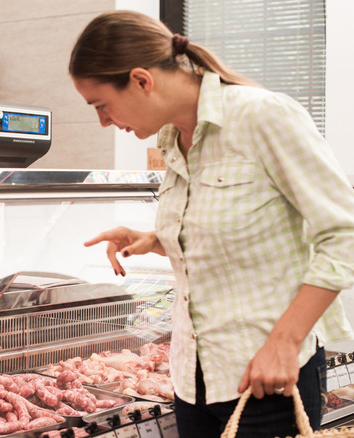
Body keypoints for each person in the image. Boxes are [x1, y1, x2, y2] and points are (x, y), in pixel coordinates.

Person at [69, 10, 354, 438]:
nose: (103, 121)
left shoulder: (262, 116)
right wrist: (154, 240)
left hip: (265, 379)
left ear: (142, 80)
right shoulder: (171, 138)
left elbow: (343, 233)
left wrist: (285, 342)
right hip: (191, 380)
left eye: (101, 105)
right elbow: (235, 232)